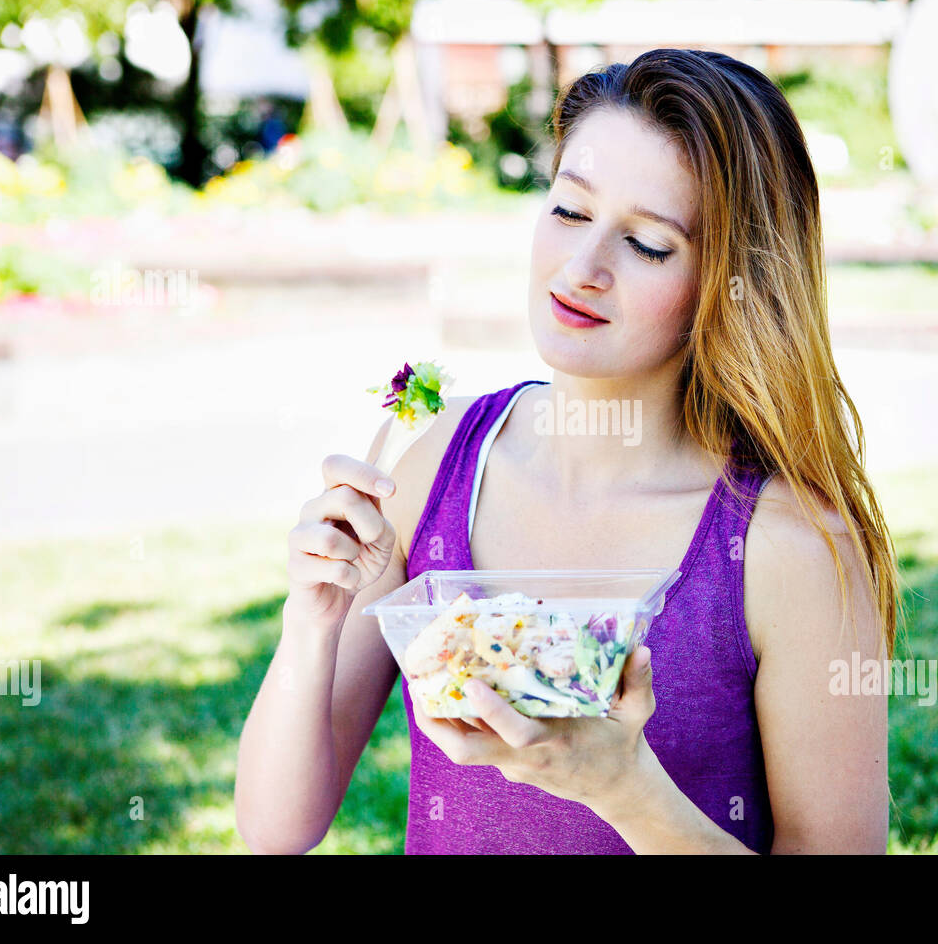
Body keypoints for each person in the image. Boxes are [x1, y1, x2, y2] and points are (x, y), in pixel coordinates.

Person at [235, 48, 904, 854]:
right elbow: (274, 833)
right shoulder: (430, 463)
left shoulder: (789, 546)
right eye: (569, 210)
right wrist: (310, 622)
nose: (582, 268)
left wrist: (622, 790)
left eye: (648, 244)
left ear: (731, 283)